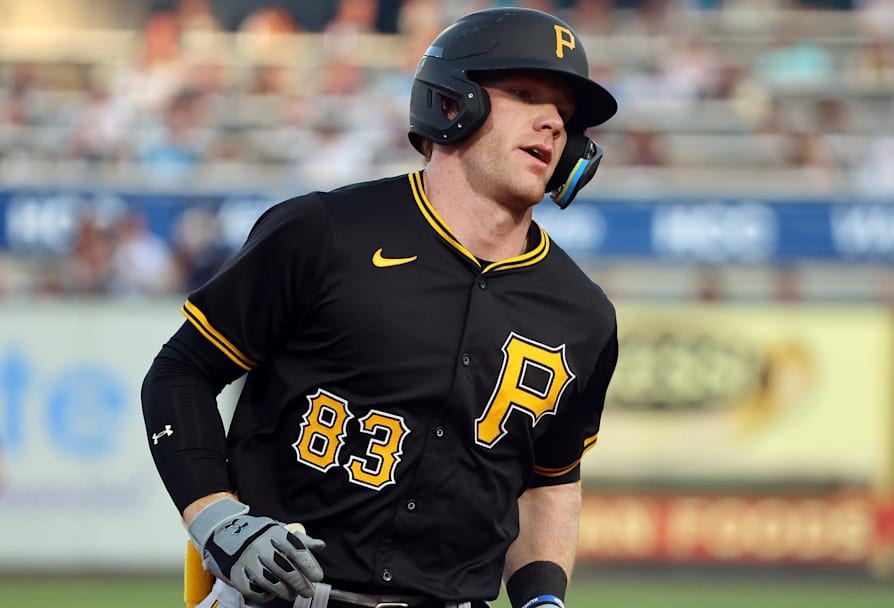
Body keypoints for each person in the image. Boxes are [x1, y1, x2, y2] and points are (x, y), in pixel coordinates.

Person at [141, 7, 619, 608]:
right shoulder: (325, 232)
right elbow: (180, 373)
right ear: (452, 104)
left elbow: (549, 484)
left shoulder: (584, 314)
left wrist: (543, 599)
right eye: (525, 94)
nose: (552, 123)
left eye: (566, 116)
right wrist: (218, 519)